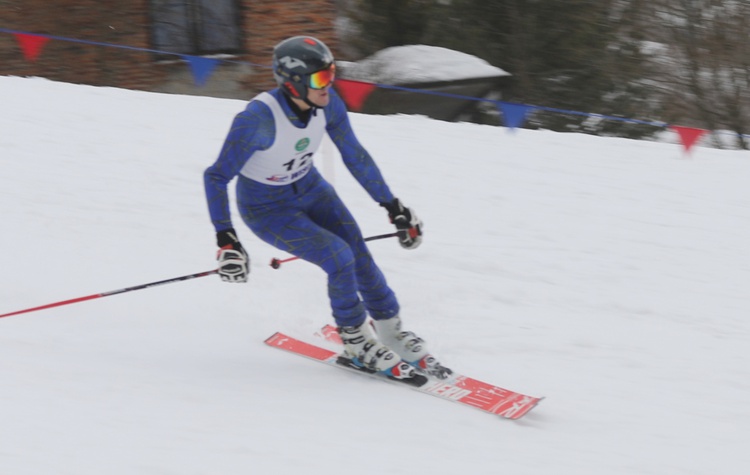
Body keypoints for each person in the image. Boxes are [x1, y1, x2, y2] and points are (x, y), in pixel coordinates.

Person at [203, 36, 451, 381]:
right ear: (293, 82)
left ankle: (390, 331)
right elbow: (215, 177)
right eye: (320, 78)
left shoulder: (328, 104)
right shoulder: (257, 120)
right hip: (266, 208)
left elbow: (355, 155)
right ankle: (355, 341)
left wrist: (392, 206)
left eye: (332, 73)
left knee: (359, 254)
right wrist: (227, 240)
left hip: (311, 188)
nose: (329, 84)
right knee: (338, 256)